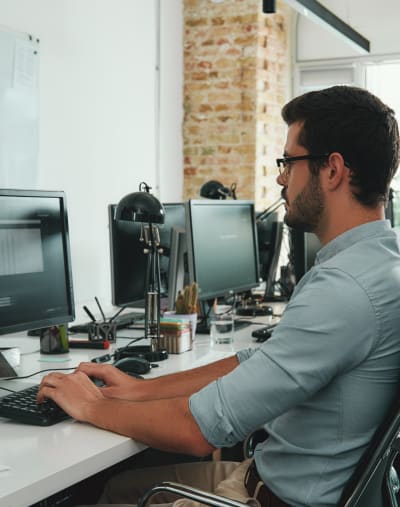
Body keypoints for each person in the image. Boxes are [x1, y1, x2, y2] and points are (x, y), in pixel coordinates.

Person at [38, 85, 400, 507]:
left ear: (333, 170)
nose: (281, 176)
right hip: (270, 479)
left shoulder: (343, 290)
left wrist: (91, 407)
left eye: (289, 162)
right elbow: (256, 362)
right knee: (116, 486)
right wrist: (136, 390)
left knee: (96, 495)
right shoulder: (376, 264)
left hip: (269, 499)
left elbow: (199, 429)